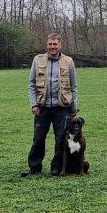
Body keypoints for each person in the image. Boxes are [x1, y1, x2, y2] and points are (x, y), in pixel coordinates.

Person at [22, 32, 78, 177]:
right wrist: (34, 105)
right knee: (38, 139)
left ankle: (56, 168)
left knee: (60, 140)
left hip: (62, 108)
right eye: (50, 44)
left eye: (55, 44)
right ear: (46, 45)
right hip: (42, 108)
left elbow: (74, 87)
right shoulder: (37, 60)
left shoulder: (69, 61)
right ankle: (34, 167)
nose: (52, 47)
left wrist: (73, 108)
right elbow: (31, 84)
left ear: (60, 45)